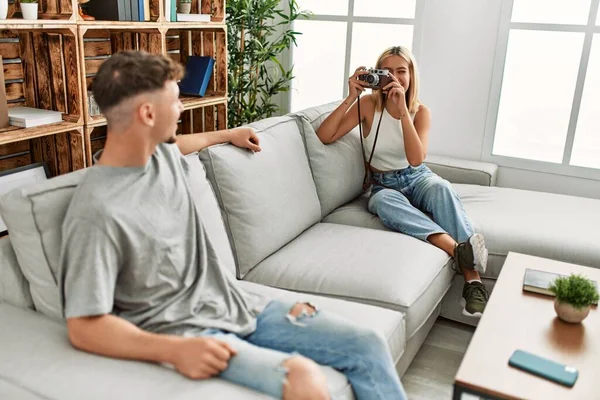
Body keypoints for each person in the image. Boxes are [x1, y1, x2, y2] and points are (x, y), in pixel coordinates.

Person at [58, 50, 407, 400]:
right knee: (303, 379)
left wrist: (228, 134)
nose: (181, 110)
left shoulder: (158, 155)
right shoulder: (98, 208)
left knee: (367, 343)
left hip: (235, 304)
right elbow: (84, 326)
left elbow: (182, 143)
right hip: (185, 332)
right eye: (175, 101)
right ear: (147, 114)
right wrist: (172, 351)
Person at [317, 46, 490, 318]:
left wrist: (403, 113)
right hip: (384, 185)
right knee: (385, 204)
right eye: (388, 71)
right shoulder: (368, 105)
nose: (395, 77)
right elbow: (325, 136)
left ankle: (473, 281)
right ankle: (458, 250)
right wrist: (351, 96)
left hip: (417, 177)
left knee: (442, 189)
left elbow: (416, 160)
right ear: (377, 74)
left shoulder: (421, 112)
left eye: (402, 71)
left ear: (411, 76)